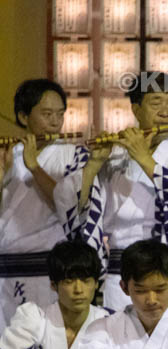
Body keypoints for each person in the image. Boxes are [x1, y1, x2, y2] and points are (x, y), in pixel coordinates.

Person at [75, 71, 168, 311]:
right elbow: (83, 214)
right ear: (136, 110)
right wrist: (94, 165)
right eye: (156, 102)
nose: (165, 111)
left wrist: (141, 156)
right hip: (123, 275)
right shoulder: (114, 156)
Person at [0, 79, 96, 329]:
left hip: (49, 270)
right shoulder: (9, 154)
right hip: (6, 268)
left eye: (60, 114)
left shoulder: (75, 155)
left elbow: (72, 207)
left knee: (46, 342)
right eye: (46, 114)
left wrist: (34, 167)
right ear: (23, 116)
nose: (55, 121)